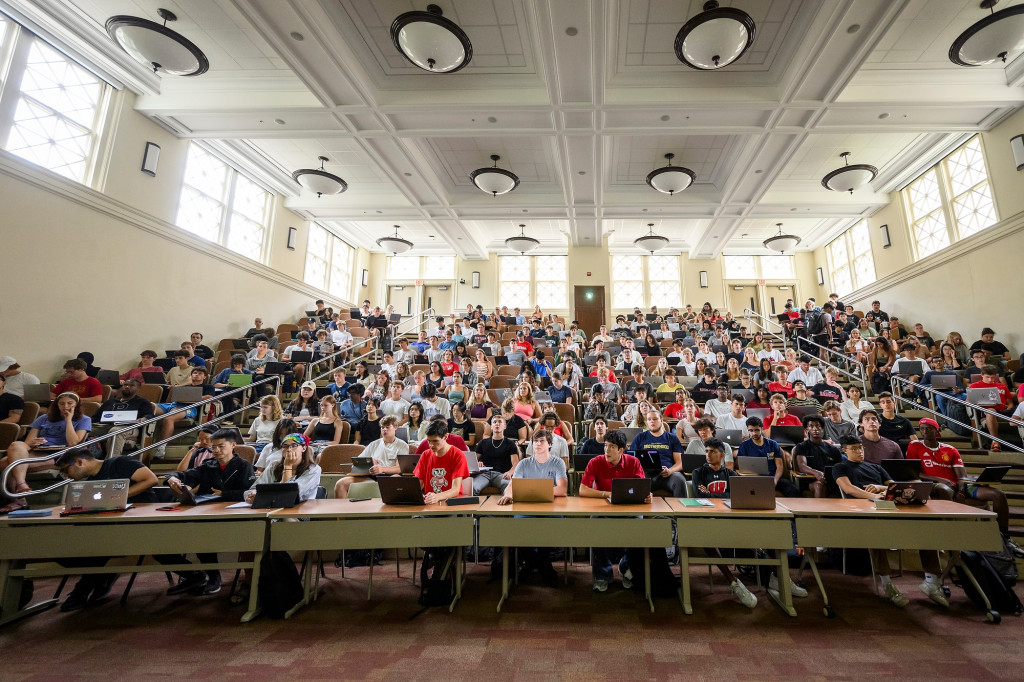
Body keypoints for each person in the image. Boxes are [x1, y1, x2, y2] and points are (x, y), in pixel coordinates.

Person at [52, 448, 212, 610]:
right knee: (92, 545)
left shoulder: (120, 463)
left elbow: (150, 479)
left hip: (144, 519)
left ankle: (85, 589)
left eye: (66, 470)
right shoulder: (89, 483)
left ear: (80, 462)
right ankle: (95, 583)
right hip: (113, 526)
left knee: (112, 545)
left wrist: (118, 497)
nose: (67, 475)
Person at [832, 436, 947, 607]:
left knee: (924, 529)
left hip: (888, 504)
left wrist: (880, 488)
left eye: (860, 447)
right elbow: (849, 489)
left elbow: (895, 486)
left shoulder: (876, 467)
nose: (859, 451)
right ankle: (887, 584)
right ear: (844, 450)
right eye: (854, 448)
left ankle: (930, 582)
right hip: (863, 508)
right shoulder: (840, 467)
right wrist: (875, 496)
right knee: (876, 535)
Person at [906, 418, 1023, 557]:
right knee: (944, 489)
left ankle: (1003, 536)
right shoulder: (915, 446)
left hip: (958, 486)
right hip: (934, 485)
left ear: (937, 431)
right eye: (922, 429)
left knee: (998, 494)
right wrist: (940, 479)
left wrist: (961, 490)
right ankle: (952, 536)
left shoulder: (950, 449)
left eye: (929, 428)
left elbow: (961, 476)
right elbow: (914, 472)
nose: (925, 431)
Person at [165, 429, 255, 596]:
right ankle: (211, 576)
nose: (216, 451)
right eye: (214, 447)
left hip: (236, 515)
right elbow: (182, 475)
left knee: (207, 533)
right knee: (195, 532)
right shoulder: (208, 466)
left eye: (221, 446)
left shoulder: (244, 466)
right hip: (208, 514)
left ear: (233, 445)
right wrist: (171, 478)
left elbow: (248, 493)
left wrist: (223, 494)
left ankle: (220, 578)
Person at [689, 438, 758, 609]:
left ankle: (777, 577)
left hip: (730, 516)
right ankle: (733, 582)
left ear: (721, 454)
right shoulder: (698, 473)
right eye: (706, 451)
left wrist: (711, 495)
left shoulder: (731, 474)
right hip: (708, 517)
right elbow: (699, 496)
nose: (708, 455)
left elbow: (737, 496)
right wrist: (725, 495)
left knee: (765, 528)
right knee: (708, 540)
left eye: (712, 451)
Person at [579, 429, 651, 591]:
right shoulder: (596, 462)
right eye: (605, 446)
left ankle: (625, 568)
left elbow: (642, 488)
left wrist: (647, 496)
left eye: (611, 447)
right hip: (603, 508)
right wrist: (605, 494)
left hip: (628, 508)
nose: (606, 450)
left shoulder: (633, 462)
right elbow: (583, 490)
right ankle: (603, 573)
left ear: (621, 450)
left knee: (639, 525)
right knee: (595, 524)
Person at [496, 429, 568, 584]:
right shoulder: (524, 463)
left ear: (549, 444)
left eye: (542, 441)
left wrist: (533, 489)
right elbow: (513, 485)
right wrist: (508, 494)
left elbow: (562, 489)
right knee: (520, 526)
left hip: (551, 506)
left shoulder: (558, 462)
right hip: (526, 506)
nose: (538, 444)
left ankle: (534, 563)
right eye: (535, 441)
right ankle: (539, 563)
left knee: (552, 526)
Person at [0, 392, 91, 513]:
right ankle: (21, 485)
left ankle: (19, 499)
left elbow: (73, 442)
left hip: (60, 455)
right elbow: (28, 442)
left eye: (70, 403)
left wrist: (68, 420)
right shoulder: (43, 418)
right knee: (16, 445)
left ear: (77, 405)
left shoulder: (84, 419)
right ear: (57, 405)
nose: (65, 406)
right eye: (62, 403)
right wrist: (34, 442)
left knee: (6, 463)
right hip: (40, 451)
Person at [334, 415, 407, 498]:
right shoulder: (374, 444)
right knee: (340, 484)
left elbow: (400, 468)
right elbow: (356, 463)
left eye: (387, 427)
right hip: (371, 475)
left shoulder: (402, 445)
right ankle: (343, 510)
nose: (384, 430)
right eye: (382, 427)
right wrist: (368, 463)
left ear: (395, 427)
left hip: (390, 475)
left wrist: (382, 469)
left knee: (396, 479)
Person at [151, 366, 214, 460]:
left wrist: (192, 398)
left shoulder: (207, 387)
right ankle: (142, 437)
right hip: (173, 404)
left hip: (189, 408)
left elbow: (209, 397)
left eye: (200, 373)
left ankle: (161, 447)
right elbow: (171, 398)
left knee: (168, 418)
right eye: (195, 373)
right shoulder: (184, 386)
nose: (196, 375)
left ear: (204, 377)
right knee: (150, 406)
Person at [628, 409, 687, 498]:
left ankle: (680, 511)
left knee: (680, 480)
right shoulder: (640, 437)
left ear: (661, 420)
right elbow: (631, 460)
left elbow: (680, 463)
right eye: (649, 419)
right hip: (647, 475)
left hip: (669, 475)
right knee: (637, 483)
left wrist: (670, 471)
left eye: (655, 419)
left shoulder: (672, 438)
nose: (652, 421)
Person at [93, 377, 155, 457]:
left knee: (115, 431)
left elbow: (150, 415)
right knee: (84, 429)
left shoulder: (142, 402)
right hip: (106, 425)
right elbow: (96, 417)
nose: (127, 387)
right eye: (125, 385)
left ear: (138, 388)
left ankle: (111, 462)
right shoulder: (111, 402)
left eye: (132, 385)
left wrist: (144, 418)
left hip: (129, 427)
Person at [738, 416, 799, 496]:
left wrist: (775, 480)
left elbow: (780, 466)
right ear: (747, 430)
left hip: (772, 477)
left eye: (757, 430)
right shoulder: (744, 445)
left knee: (793, 489)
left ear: (762, 429)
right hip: (754, 479)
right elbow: (742, 466)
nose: (754, 433)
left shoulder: (772, 444)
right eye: (751, 431)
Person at [414, 420, 470, 504]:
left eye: (435, 441)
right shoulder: (425, 455)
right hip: (430, 503)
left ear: (446, 437)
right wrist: (417, 495)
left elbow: (455, 489)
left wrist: (437, 496)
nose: (431, 445)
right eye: (428, 441)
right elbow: (419, 484)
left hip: (450, 503)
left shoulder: (458, 455)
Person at [793, 415, 843, 497]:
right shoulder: (802, 446)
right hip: (810, 480)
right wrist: (815, 472)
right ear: (806, 429)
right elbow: (802, 466)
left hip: (831, 480)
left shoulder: (833, 449)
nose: (815, 429)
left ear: (822, 428)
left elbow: (839, 467)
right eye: (811, 426)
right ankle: (819, 509)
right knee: (819, 485)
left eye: (817, 426)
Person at [968, 364, 1015, 451]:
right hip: (985, 411)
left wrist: (1008, 408)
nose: (990, 380)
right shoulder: (975, 386)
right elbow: (968, 401)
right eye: (987, 377)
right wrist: (979, 405)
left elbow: (1011, 404)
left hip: (1003, 411)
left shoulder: (1002, 386)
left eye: (993, 377)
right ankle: (995, 442)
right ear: (982, 375)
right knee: (991, 411)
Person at [473, 413, 520, 495]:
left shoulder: (510, 443)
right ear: (491, 426)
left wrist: (509, 473)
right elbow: (473, 462)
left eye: (500, 422)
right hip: (485, 474)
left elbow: (516, 463)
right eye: (494, 422)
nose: (497, 424)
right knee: (473, 487)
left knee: (508, 487)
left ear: (504, 426)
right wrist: (477, 463)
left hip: (501, 474)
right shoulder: (482, 442)